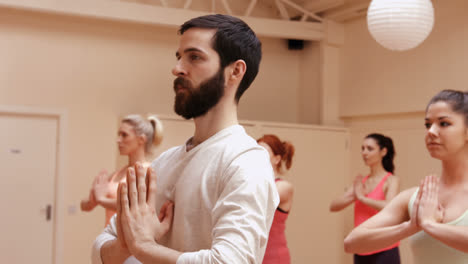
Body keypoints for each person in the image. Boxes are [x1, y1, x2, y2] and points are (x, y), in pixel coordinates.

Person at [91, 14, 279, 264]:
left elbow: (228, 262)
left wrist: (143, 246)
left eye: (195, 57)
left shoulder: (245, 162)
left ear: (235, 71)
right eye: (179, 57)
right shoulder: (165, 162)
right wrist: (126, 244)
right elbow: (100, 249)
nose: (177, 68)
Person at [344, 89, 468, 264]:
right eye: (427, 124)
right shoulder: (415, 198)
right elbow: (352, 243)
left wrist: (429, 225)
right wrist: (410, 227)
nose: (431, 131)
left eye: (444, 123)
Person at [329, 133, 401, 263]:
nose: (364, 153)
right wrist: (354, 196)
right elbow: (333, 206)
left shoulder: (391, 180)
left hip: (384, 248)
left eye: (369, 148)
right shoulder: (361, 182)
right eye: (362, 148)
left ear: (383, 152)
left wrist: (362, 198)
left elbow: (389, 207)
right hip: (361, 247)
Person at [80, 114, 163, 226]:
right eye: (118, 135)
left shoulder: (148, 171)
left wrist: (101, 200)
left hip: (130, 240)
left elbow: (133, 206)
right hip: (109, 239)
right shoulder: (117, 174)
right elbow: (85, 206)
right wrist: (93, 196)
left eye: (124, 135)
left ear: (141, 139)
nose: (118, 140)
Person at [257, 134, 294, 264]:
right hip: (255, 256)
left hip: (274, 256)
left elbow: (257, 200)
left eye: (263, 152)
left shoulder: (284, 187)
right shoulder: (254, 184)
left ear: (277, 159)